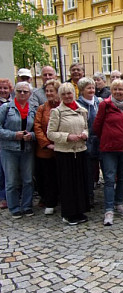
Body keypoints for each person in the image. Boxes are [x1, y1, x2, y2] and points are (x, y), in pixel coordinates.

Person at [47, 83, 90, 225]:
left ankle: (80, 210)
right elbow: (51, 133)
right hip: (65, 152)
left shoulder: (82, 110)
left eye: (69, 93)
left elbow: (86, 127)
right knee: (68, 184)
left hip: (80, 150)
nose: (67, 96)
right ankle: (68, 213)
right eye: (64, 94)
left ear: (74, 94)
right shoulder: (57, 112)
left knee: (79, 183)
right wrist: (67, 137)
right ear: (60, 96)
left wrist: (84, 134)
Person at [93, 79, 123, 226]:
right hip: (109, 148)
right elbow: (97, 126)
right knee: (109, 179)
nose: (118, 92)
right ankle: (109, 209)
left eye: (121, 89)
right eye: (115, 89)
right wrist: (108, 137)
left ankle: (119, 204)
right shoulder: (105, 105)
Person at [0, 82, 36, 218]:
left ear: (30, 94)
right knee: (11, 180)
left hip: (27, 149)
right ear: (15, 92)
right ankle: (14, 207)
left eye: (25, 92)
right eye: (19, 91)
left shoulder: (33, 109)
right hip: (9, 149)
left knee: (28, 179)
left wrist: (31, 136)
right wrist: (13, 135)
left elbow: (37, 130)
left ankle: (27, 206)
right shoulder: (6, 108)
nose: (22, 94)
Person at [34, 79, 60, 215]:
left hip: (61, 148)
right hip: (46, 150)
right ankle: (50, 202)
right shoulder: (42, 108)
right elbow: (37, 127)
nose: (49, 93)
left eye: (52, 91)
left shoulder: (63, 106)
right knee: (48, 178)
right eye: (47, 91)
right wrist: (47, 144)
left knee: (61, 177)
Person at [77, 77, 101, 206]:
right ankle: (89, 196)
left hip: (100, 141)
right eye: (88, 88)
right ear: (82, 90)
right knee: (88, 171)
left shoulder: (99, 102)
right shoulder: (78, 105)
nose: (92, 90)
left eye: (93, 87)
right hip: (86, 141)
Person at [0, 79, 14, 209]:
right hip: (3, 141)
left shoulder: (13, 103)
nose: (3, 91)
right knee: (2, 172)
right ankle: (3, 197)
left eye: (5, 88)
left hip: (13, 143)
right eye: (1, 88)